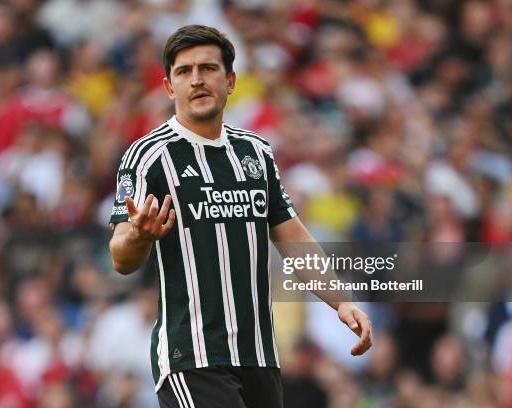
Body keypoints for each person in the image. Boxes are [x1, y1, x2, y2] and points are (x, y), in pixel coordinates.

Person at [108, 24, 372, 408]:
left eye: (208, 68)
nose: (197, 80)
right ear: (169, 87)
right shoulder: (148, 157)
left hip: (260, 357)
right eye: (184, 72)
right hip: (193, 356)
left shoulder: (257, 153)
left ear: (230, 80)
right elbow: (120, 257)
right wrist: (139, 235)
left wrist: (340, 301)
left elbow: (292, 236)